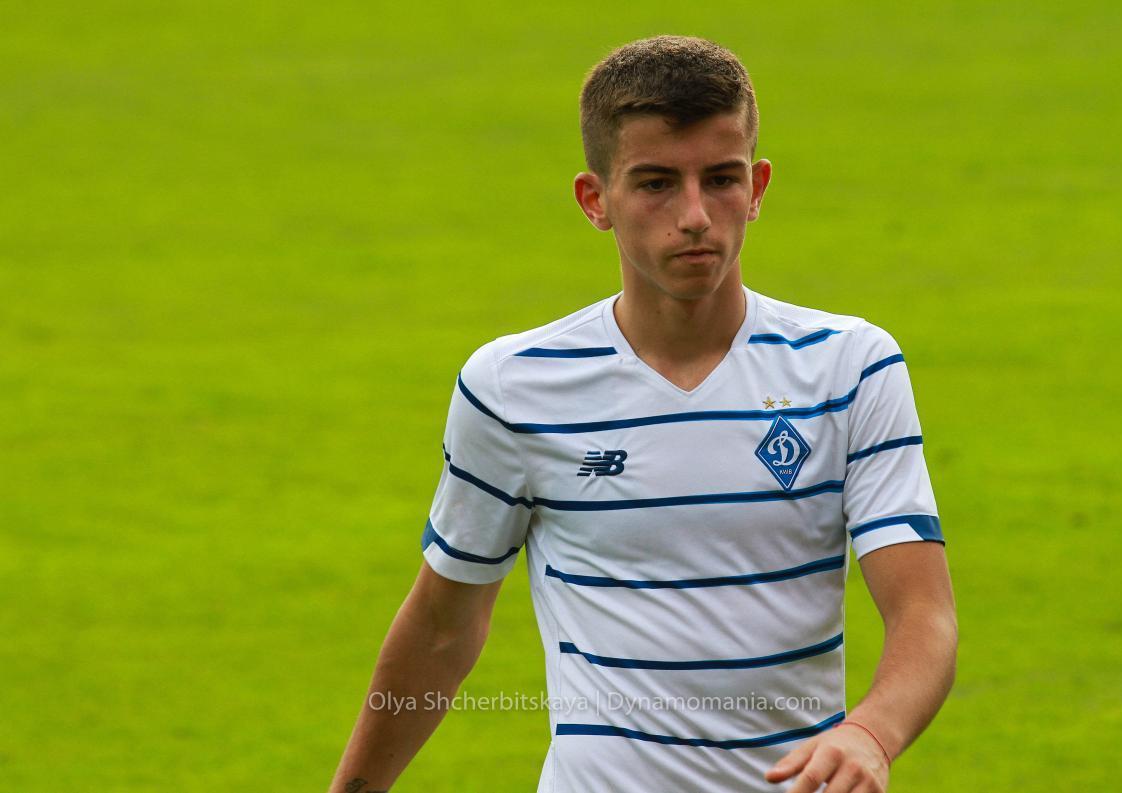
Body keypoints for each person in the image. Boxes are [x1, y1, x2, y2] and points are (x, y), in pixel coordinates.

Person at [328, 34, 957, 793]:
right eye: (656, 183)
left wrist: (870, 733)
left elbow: (924, 612)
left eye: (720, 179)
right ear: (595, 200)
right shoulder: (514, 387)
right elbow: (440, 628)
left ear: (757, 186)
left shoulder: (850, 367)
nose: (694, 215)